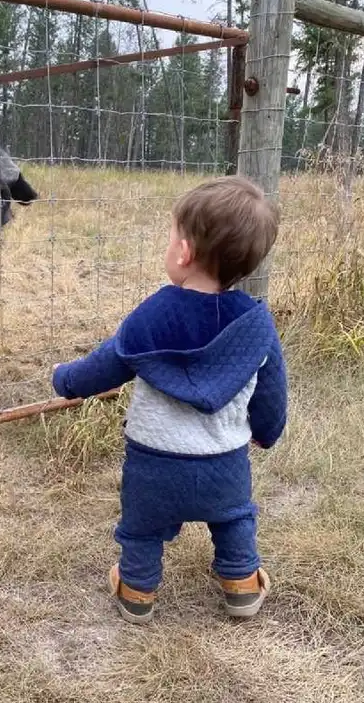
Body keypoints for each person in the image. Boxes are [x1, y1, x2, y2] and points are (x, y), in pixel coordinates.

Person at [51, 175, 287, 625]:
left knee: (141, 529)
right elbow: (272, 389)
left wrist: (64, 379)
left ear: (183, 252)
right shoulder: (257, 324)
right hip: (225, 462)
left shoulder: (153, 315)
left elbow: (106, 364)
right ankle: (240, 583)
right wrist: (267, 432)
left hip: (154, 464)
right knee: (235, 517)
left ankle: (137, 591)